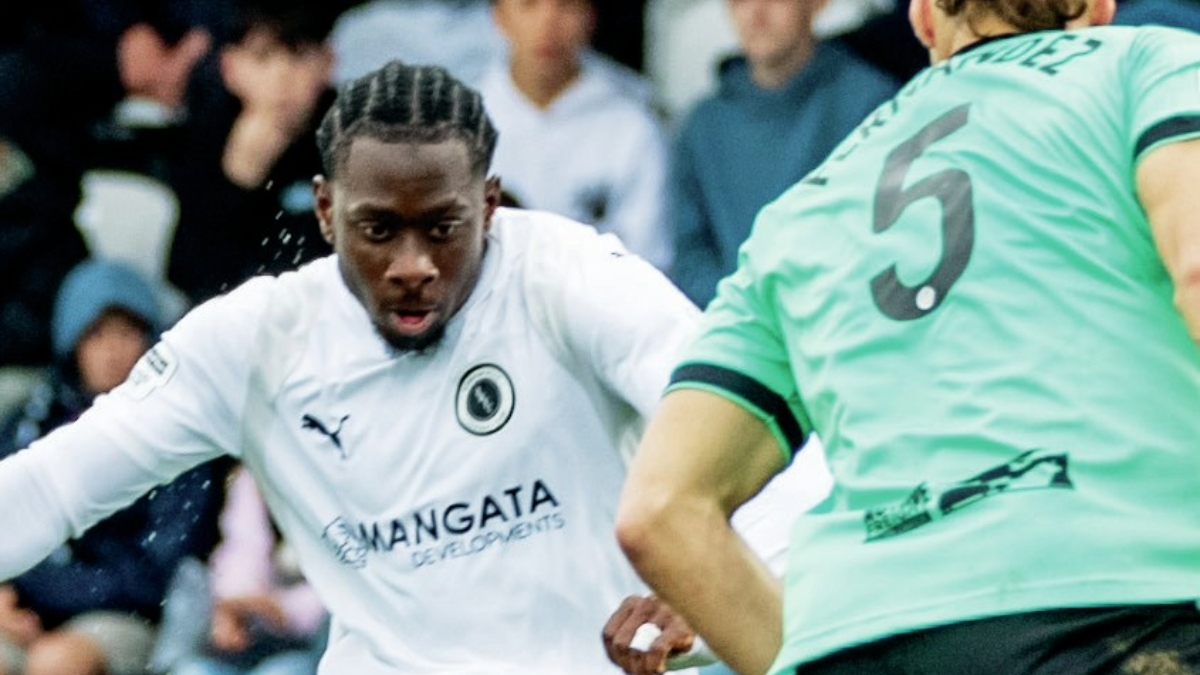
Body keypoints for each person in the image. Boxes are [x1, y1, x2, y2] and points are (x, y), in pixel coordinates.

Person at [0, 60, 817, 673]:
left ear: (491, 204)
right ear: (325, 210)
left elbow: (768, 439)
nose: (414, 264)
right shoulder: (256, 339)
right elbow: (51, 486)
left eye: (444, 226)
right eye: (379, 229)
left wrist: (711, 603)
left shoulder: (567, 277)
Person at [613, 0, 1200, 672]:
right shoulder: (1154, 64)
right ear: (1098, 7)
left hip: (862, 633)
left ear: (924, 19)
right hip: (1122, 606)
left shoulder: (802, 208)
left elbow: (658, 510)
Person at [0, 259, 223, 675]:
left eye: (127, 332)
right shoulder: (29, 419)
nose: (112, 350)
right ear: (72, 342)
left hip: (125, 615)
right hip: (22, 607)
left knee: (57, 662)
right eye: (96, 334)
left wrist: (47, 594)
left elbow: (158, 567)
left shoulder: (178, 434)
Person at [670, 0, 898, 306]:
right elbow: (689, 254)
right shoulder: (702, 125)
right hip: (730, 333)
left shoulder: (874, 107)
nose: (756, 13)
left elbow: (880, 243)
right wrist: (742, 313)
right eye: (739, 1)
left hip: (836, 328)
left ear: (818, 4)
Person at [480, 0, 673, 269]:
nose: (548, 23)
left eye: (566, 5)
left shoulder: (634, 127)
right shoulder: (458, 120)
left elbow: (650, 260)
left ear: (591, 18)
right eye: (529, 5)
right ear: (499, 16)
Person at [168, 0, 339, 304]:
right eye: (263, 58)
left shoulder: (351, 139)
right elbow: (192, 277)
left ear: (328, 63)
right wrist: (236, 183)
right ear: (230, 68)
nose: (282, 75)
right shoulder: (206, 140)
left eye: (298, 56)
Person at [171, 468, 326, 675]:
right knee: (193, 671)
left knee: (282, 672)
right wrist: (235, 607)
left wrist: (280, 609)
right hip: (246, 634)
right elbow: (242, 546)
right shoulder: (253, 476)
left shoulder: (337, 486)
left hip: (308, 645)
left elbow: (345, 585)